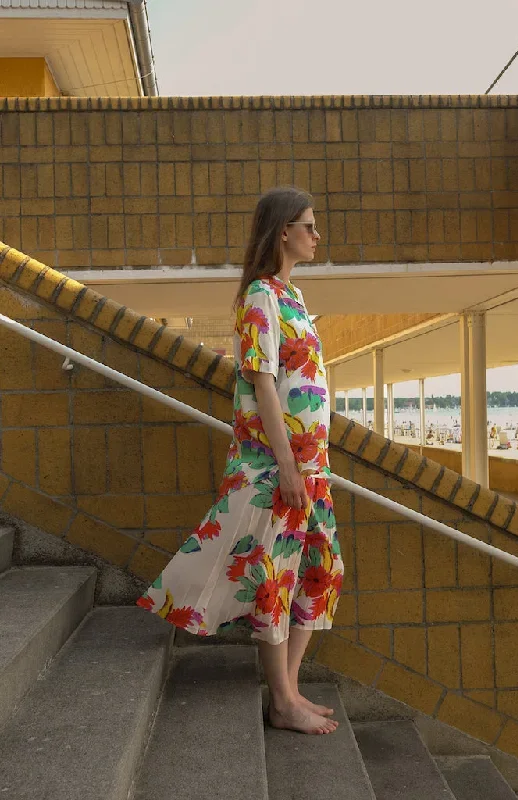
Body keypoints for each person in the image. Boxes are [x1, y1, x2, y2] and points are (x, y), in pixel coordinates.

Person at [137, 187, 343, 736]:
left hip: (311, 465)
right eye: (308, 226)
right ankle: (283, 700)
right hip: (279, 468)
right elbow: (264, 383)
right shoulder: (261, 297)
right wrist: (288, 464)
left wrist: (311, 460)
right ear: (282, 231)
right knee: (274, 578)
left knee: (321, 572)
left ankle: (290, 690)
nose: (316, 235)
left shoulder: (294, 297)